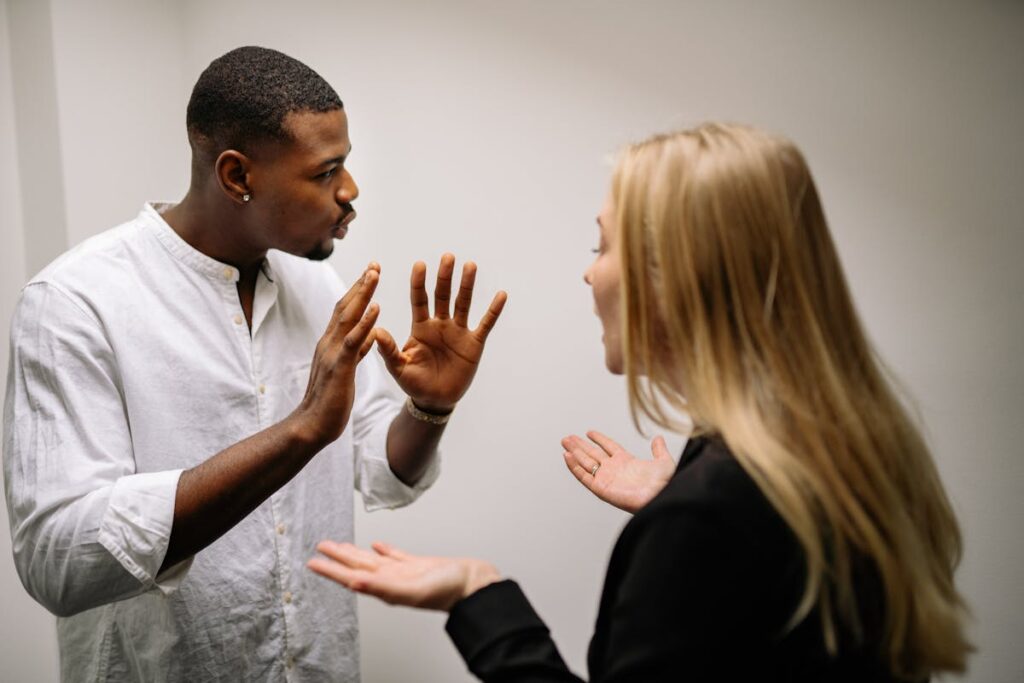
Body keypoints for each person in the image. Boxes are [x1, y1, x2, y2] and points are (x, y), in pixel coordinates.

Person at [308, 123, 973, 681]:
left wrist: (478, 592)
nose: (589, 271)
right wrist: (691, 493)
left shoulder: (710, 516)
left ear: (673, 277)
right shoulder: (843, 450)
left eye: (602, 244)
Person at [3, 46, 506, 681]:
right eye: (327, 172)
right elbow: (59, 559)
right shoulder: (77, 303)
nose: (350, 193)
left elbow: (381, 470)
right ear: (238, 177)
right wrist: (299, 431)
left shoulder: (318, 289)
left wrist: (429, 409)